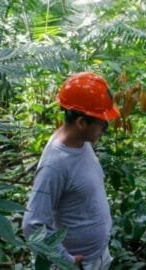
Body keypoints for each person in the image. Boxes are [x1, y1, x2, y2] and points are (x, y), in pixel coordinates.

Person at [23, 72, 120, 270]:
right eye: (102, 123)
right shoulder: (55, 164)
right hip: (78, 265)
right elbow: (33, 225)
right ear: (81, 123)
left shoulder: (80, 142)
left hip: (98, 257)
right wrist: (64, 259)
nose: (105, 127)